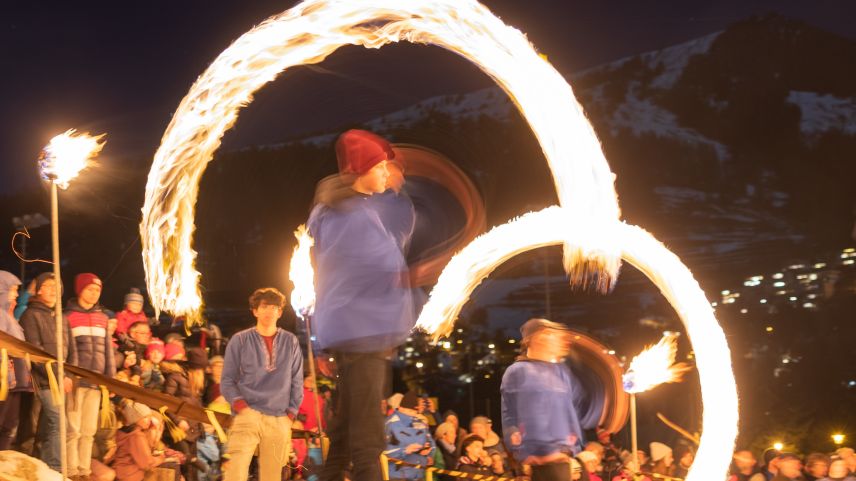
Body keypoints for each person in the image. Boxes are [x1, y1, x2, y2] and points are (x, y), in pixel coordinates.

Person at [310, 130, 416, 481]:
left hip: (359, 334)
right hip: (363, 334)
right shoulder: (348, 218)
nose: (387, 173)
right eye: (381, 167)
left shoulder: (352, 211)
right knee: (368, 441)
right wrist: (416, 273)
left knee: (343, 437)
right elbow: (382, 265)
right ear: (361, 169)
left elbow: (388, 249)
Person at [501, 318, 600, 481]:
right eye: (549, 333)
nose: (557, 338)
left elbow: (574, 407)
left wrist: (575, 451)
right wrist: (536, 452)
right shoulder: (519, 371)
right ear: (533, 339)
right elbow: (516, 416)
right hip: (544, 461)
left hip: (565, 458)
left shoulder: (561, 371)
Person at [221, 287, 303, 481]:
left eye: (274, 307)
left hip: (279, 418)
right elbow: (227, 380)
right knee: (235, 472)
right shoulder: (239, 340)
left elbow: (297, 381)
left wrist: (290, 414)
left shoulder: (290, 341)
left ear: (280, 312)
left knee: (272, 475)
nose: (269, 311)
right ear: (255, 310)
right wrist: (241, 407)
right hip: (247, 415)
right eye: (264, 306)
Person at [20, 272, 78, 473]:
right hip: (44, 381)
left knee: (51, 426)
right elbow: (35, 352)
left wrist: (69, 375)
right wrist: (58, 376)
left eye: (58, 286)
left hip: (63, 381)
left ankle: (43, 466)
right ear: (39, 289)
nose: (54, 290)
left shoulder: (63, 318)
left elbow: (72, 350)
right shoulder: (30, 315)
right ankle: (54, 467)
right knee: (57, 424)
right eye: (49, 285)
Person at [65, 273, 117, 481]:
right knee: (73, 429)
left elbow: (108, 351)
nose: (94, 293)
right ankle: (70, 470)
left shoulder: (102, 318)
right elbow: (65, 350)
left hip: (96, 384)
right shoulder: (67, 316)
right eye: (90, 289)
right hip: (76, 383)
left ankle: (84, 469)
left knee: (88, 430)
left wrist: (110, 380)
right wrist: (68, 375)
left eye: (97, 290)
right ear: (80, 290)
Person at [0, 271, 32, 450]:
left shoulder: (9, 317)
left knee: (9, 425)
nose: (17, 294)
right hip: (4, 380)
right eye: (13, 290)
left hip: (15, 382)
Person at [383, 391, 436, 481]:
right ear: (400, 408)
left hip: (418, 475)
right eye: (409, 411)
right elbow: (382, 451)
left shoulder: (420, 422)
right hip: (397, 476)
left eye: (415, 411)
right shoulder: (390, 424)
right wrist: (405, 450)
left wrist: (429, 452)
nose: (412, 414)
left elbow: (431, 442)